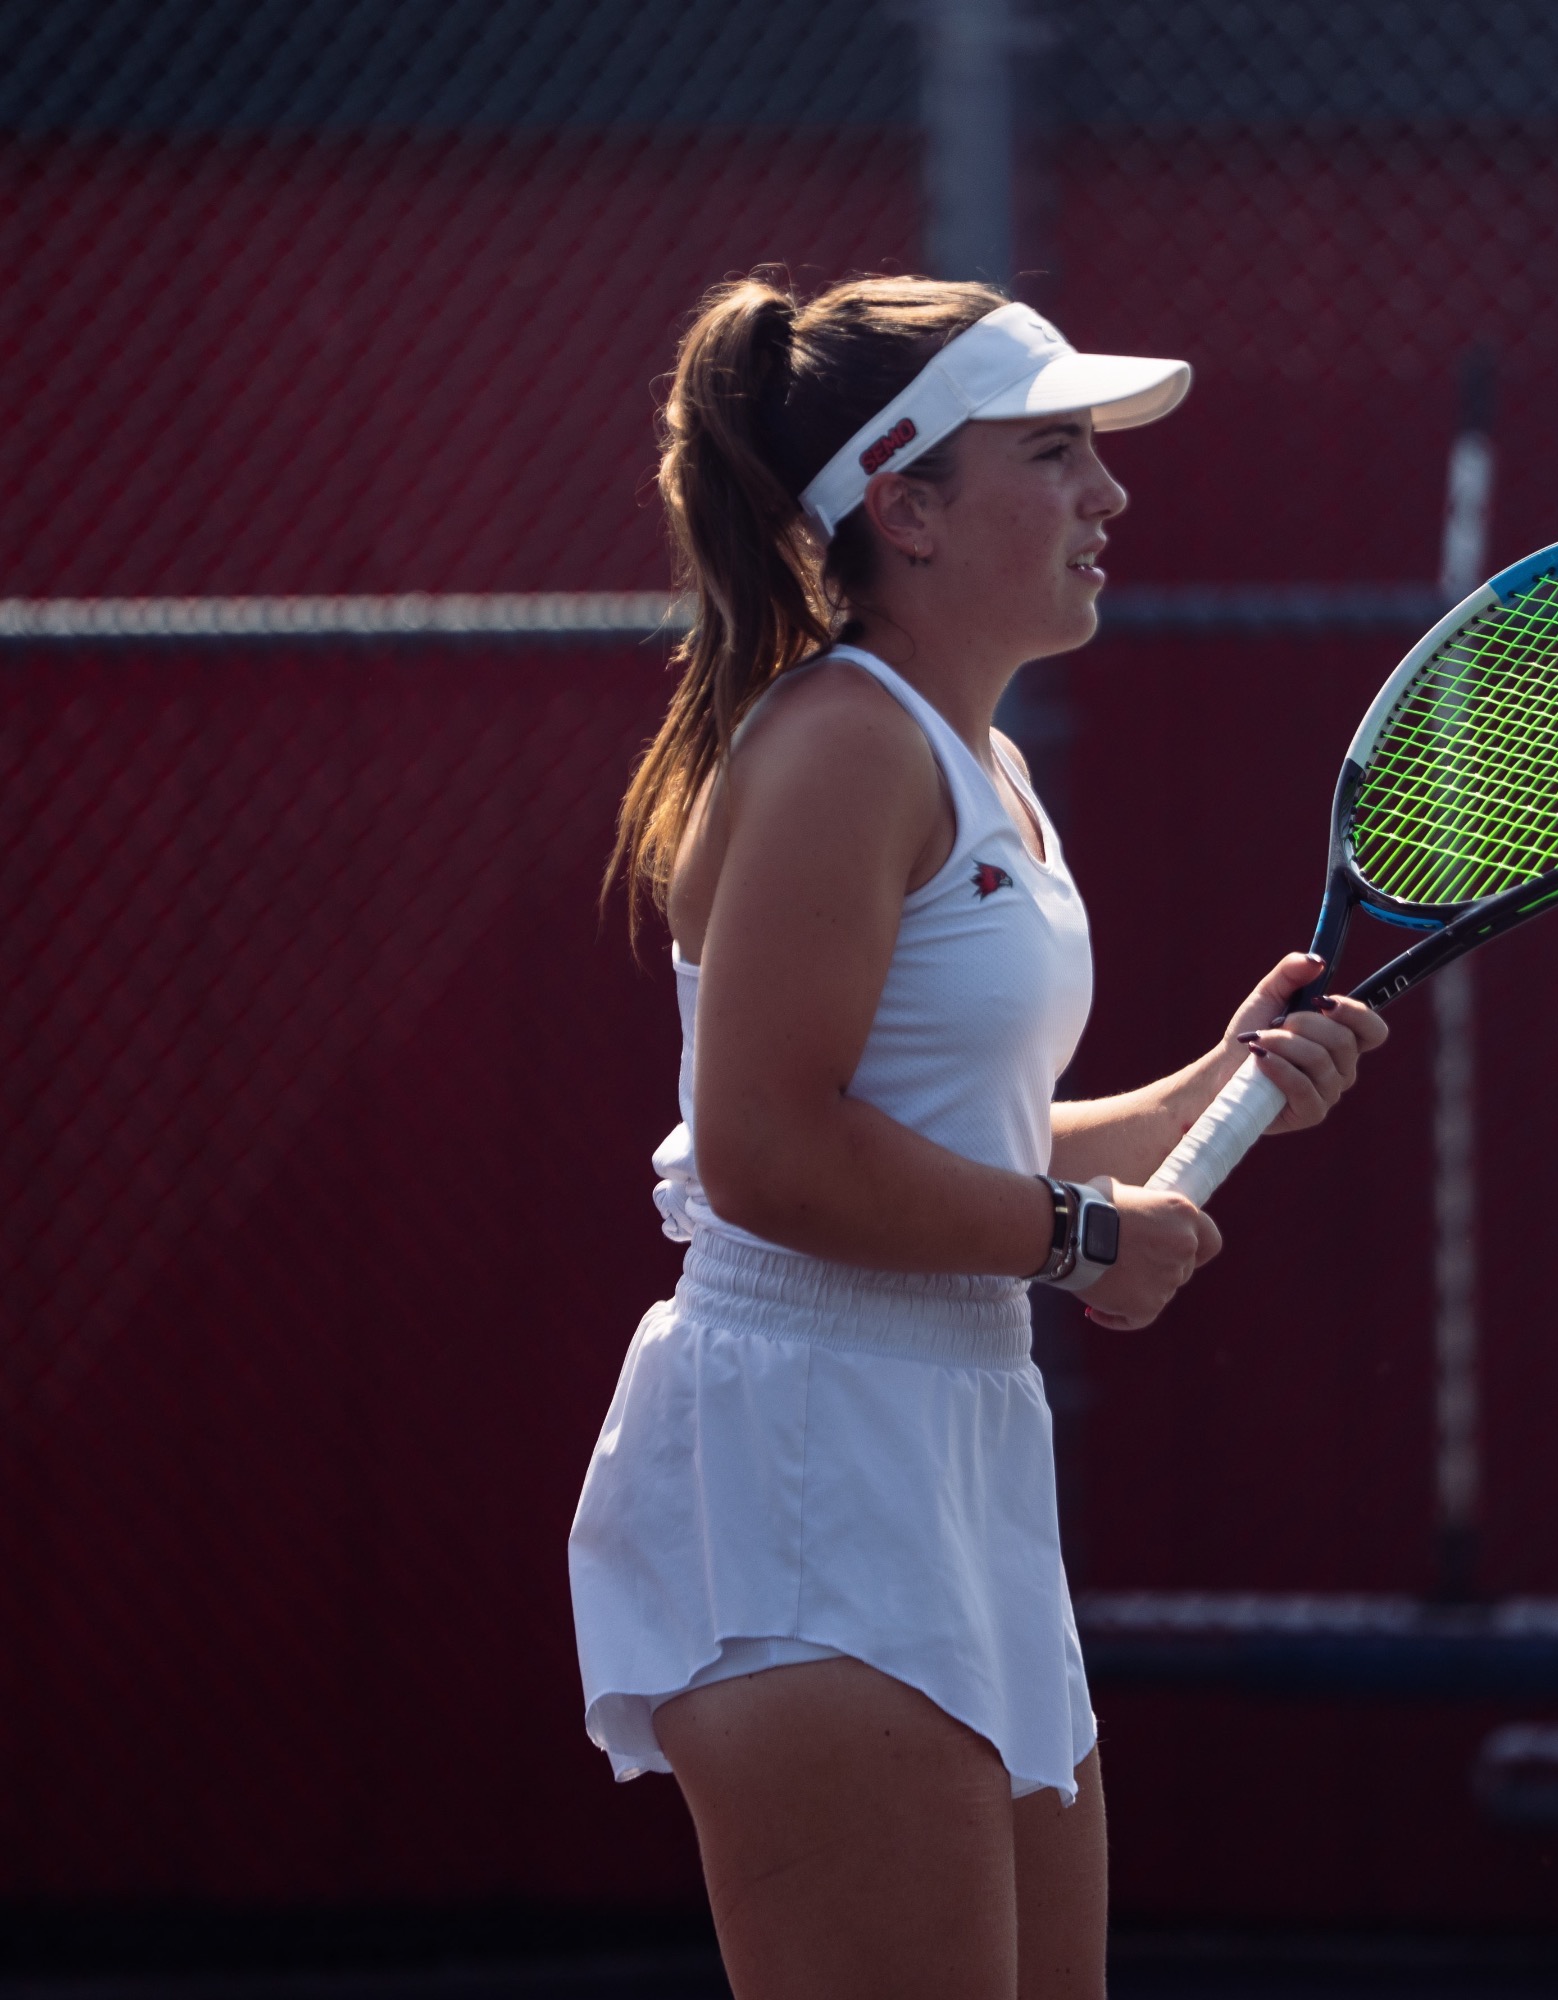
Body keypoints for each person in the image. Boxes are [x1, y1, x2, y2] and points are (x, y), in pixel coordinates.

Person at [568, 272, 1388, 2000]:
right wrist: (1085, 1240)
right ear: (909, 505)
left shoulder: (978, 762)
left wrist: (1198, 1094)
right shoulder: (845, 749)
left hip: (956, 1447)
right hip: (802, 1463)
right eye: (1058, 453)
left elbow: (942, 1128)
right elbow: (770, 1154)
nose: (1112, 496)